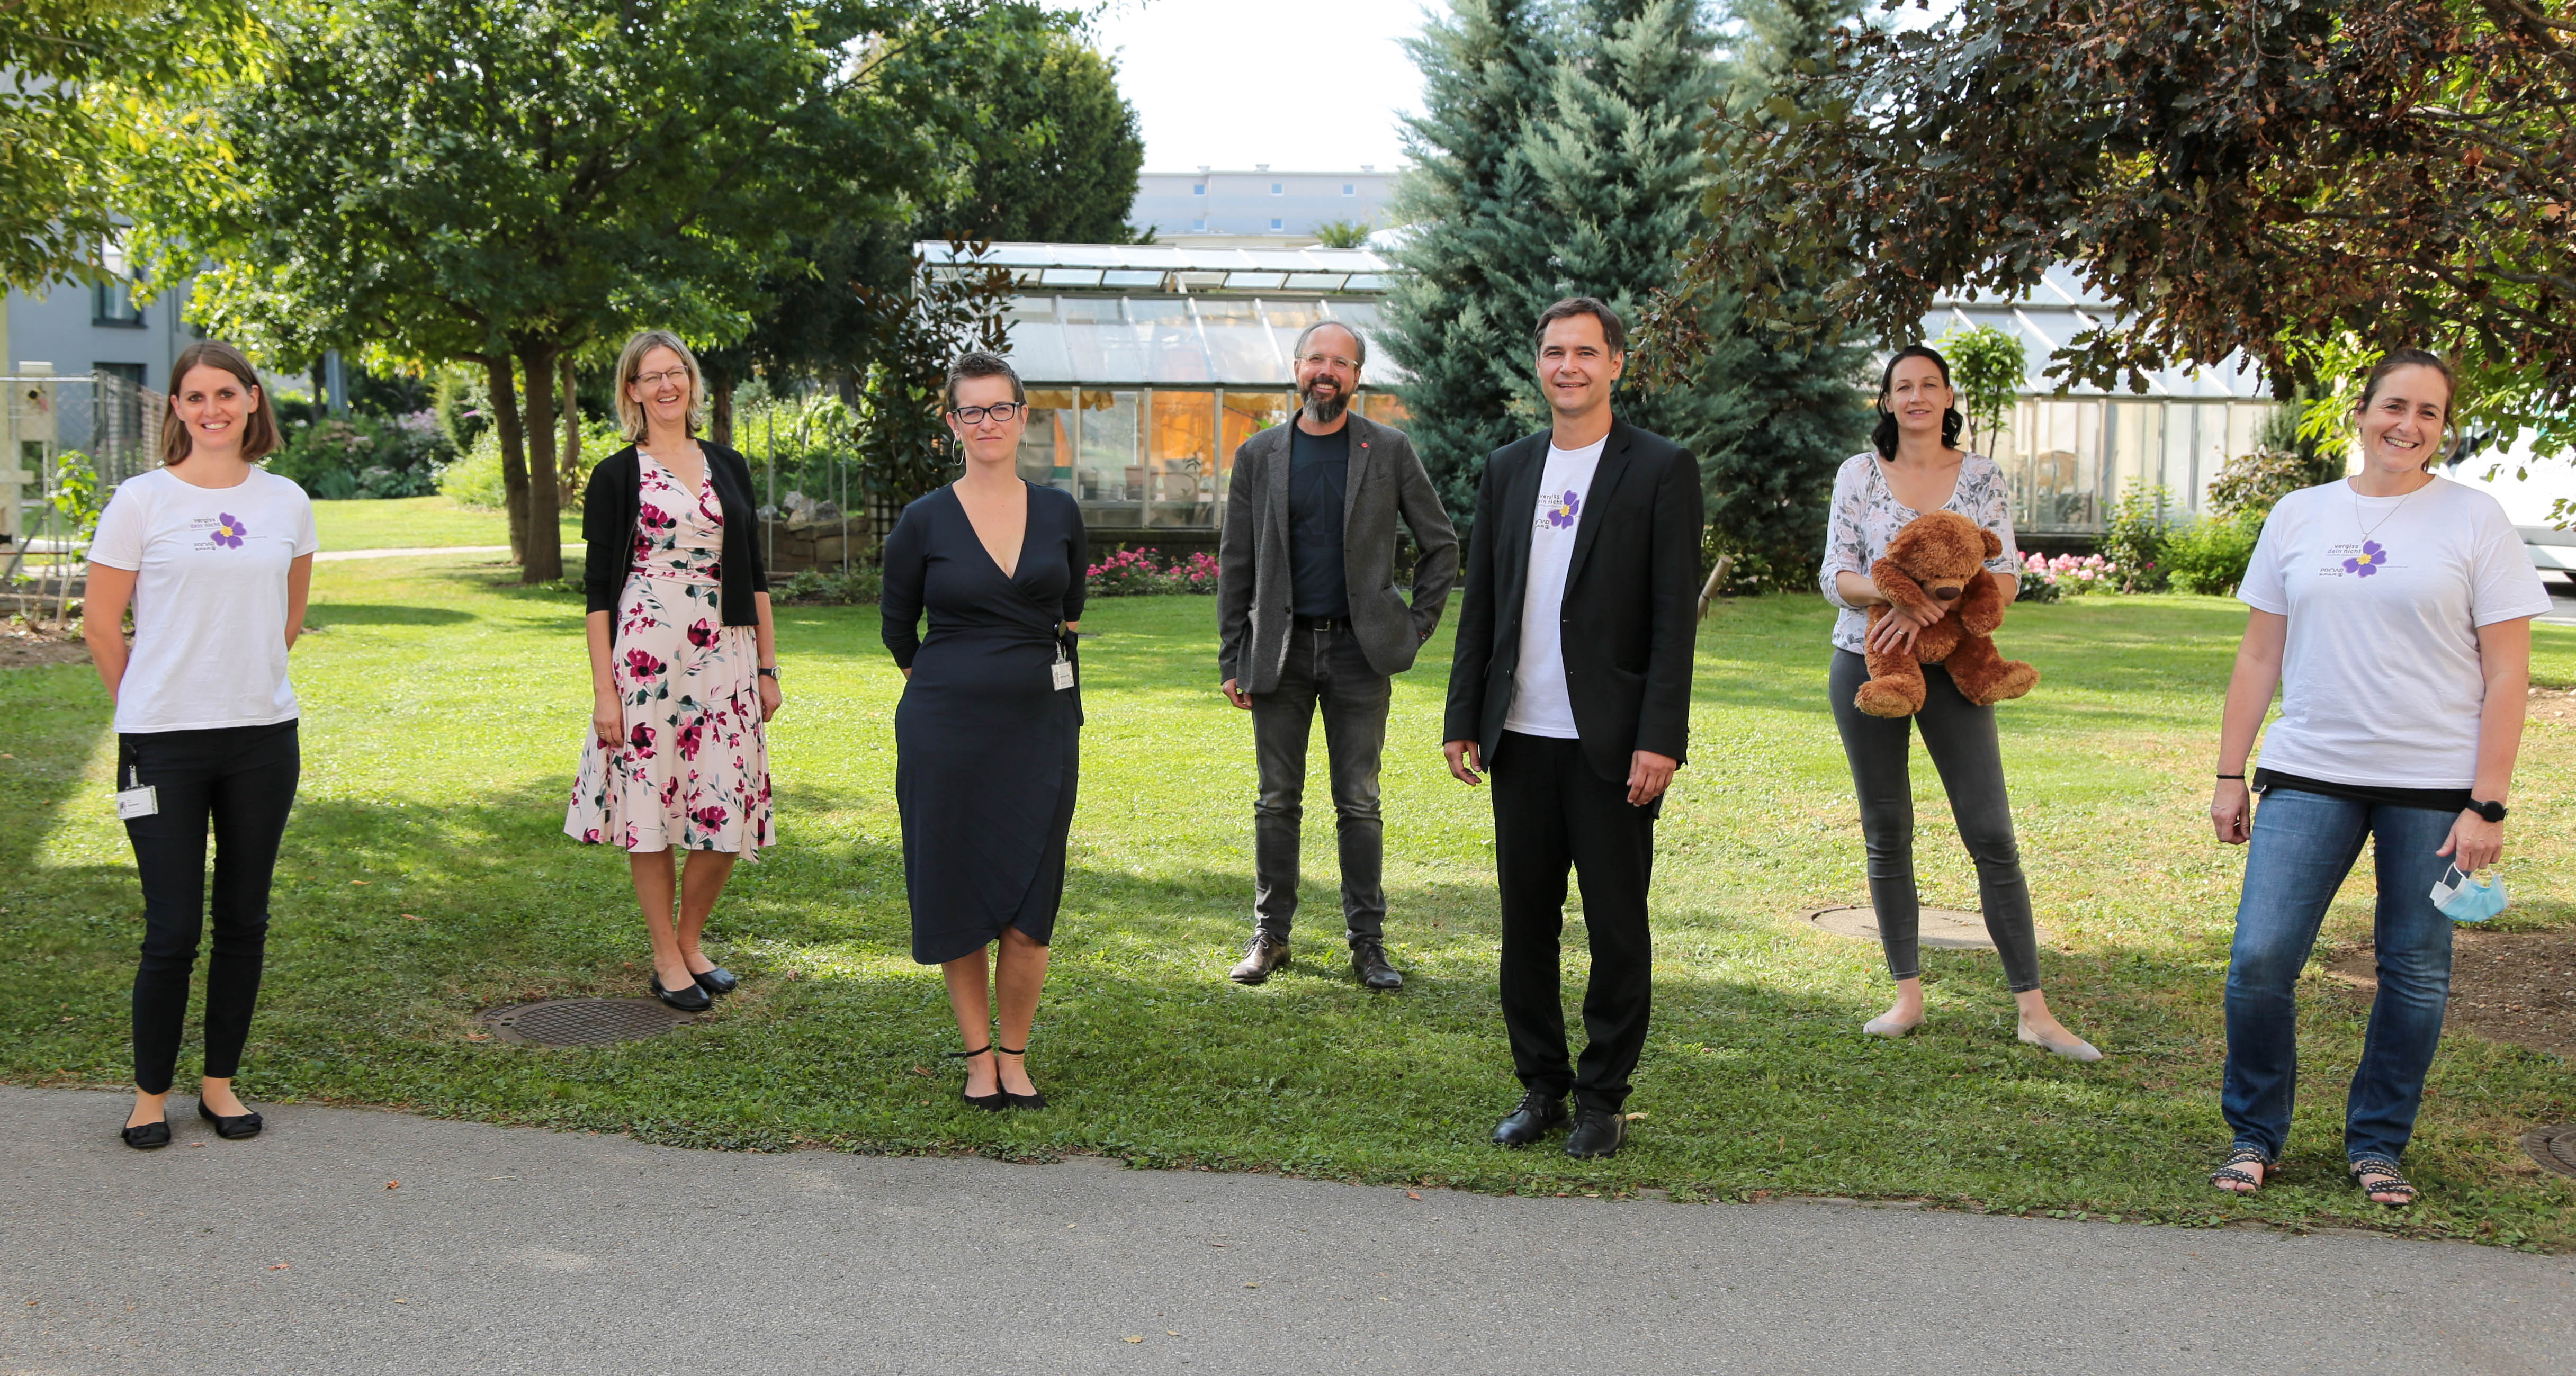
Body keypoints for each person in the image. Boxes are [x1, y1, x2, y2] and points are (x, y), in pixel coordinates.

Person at [2207, 349, 2547, 1208]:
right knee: (2259, 957)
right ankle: (2255, 1132)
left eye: (2430, 412)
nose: (2410, 424)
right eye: (2395, 404)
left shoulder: (2476, 520)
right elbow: (2259, 652)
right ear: (2360, 413)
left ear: (2444, 428)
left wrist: (2488, 801)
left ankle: (2378, 1142)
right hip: (2311, 769)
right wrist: (2228, 772)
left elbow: (2509, 674)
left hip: (2434, 788)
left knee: (2416, 970)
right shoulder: (2298, 513)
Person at [1441, 298, 1702, 1161]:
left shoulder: (1661, 468)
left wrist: (1659, 736)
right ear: (1540, 363)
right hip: (1518, 735)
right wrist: (1461, 716)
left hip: (1613, 742)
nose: (1568, 367)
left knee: (1617, 925)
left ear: (1616, 364)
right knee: (1527, 923)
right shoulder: (1510, 467)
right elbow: (1481, 601)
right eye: (1554, 352)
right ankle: (1543, 1086)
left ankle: (1603, 1097)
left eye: (1586, 353)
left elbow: (1674, 619)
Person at [1818, 345, 2098, 1059]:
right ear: (1886, 401)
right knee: (1888, 829)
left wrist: (1942, 609)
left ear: (1948, 398)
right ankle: (1906, 995)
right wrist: (1896, 598)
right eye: (1901, 386)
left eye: (1928, 385)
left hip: (1956, 674)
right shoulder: (1858, 474)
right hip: (1869, 664)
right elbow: (1837, 573)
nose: (1915, 396)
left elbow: (2002, 574)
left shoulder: (1980, 478)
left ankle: (2033, 1009)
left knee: (1991, 832)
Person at [83, 340, 316, 1149]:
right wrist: (145, 705)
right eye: (194, 397)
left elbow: (288, 617)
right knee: (172, 926)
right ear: (177, 409)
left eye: (226, 392)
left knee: (244, 918)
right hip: (162, 747)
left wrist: (241, 680)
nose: (211, 408)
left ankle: (219, 1084)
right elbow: (101, 625)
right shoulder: (141, 500)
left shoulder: (287, 499)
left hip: (261, 737)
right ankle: (151, 1093)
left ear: (254, 400)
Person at [1217, 320, 1459, 990]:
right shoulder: (1259, 454)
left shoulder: (1387, 450)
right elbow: (1236, 560)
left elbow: (1440, 544)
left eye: (1341, 363)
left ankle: (1368, 945)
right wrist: (1230, 654)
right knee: (1275, 801)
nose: (1326, 371)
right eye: (1315, 360)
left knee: (1358, 802)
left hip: (1361, 654)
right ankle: (1270, 937)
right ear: (1295, 368)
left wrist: (1414, 626)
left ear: (1356, 377)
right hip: (1279, 654)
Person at [881, 350, 1087, 1111]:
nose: (988, 422)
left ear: (1022, 416)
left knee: (1032, 901)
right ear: (951, 422)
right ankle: (977, 1055)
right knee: (958, 889)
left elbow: (1069, 616)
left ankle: (1016, 1053)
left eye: (1001, 408)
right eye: (971, 410)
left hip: (1040, 732)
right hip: (945, 735)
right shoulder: (923, 520)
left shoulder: (1061, 511)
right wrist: (952, 687)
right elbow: (898, 630)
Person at [566, 329, 779, 1014]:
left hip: (725, 654)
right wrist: (606, 691)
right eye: (649, 376)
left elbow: (759, 577)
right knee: (650, 805)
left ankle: (690, 941)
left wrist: (768, 667)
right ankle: (665, 954)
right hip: (647, 657)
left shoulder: (729, 465)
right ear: (631, 389)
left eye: (675, 372)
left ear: (689, 380)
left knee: (728, 800)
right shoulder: (615, 474)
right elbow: (598, 592)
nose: (666, 385)